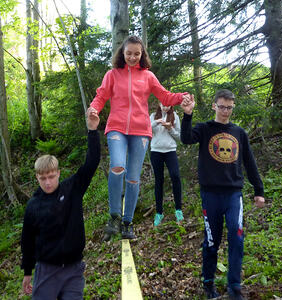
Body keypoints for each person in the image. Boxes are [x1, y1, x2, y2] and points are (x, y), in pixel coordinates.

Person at [89, 35, 191, 240]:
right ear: (122, 53)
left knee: (134, 178)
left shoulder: (148, 76)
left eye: (137, 54)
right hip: (116, 127)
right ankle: (114, 215)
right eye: (129, 53)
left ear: (142, 54)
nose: (133, 57)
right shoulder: (112, 74)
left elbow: (165, 96)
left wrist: (182, 97)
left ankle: (127, 222)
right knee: (117, 166)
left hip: (141, 131)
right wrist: (94, 108)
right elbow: (101, 95)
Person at [180, 89, 265, 300]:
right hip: (210, 194)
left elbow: (249, 163)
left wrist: (258, 190)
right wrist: (187, 115)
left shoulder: (239, 133)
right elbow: (186, 138)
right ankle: (208, 284)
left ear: (232, 107)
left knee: (237, 237)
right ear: (214, 106)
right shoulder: (205, 128)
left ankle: (234, 287)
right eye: (222, 106)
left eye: (229, 107)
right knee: (212, 240)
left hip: (233, 194)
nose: (225, 111)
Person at [21, 108, 100, 300]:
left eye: (51, 176)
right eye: (43, 178)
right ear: (37, 178)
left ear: (58, 173)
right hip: (47, 270)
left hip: (73, 269)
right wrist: (27, 271)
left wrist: (92, 130)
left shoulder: (72, 188)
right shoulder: (33, 205)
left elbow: (91, 163)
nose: (47, 182)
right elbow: (27, 241)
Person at [150, 103, 183, 226]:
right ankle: (159, 212)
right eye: (163, 104)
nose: (165, 107)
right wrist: (157, 122)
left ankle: (178, 210)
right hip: (156, 151)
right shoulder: (153, 116)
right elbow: (146, 130)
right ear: (158, 103)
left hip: (170, 151)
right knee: (159, 180)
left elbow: (179, 136)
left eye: (168, 105)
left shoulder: (174, 116)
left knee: (175, 176)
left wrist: (170, 128)